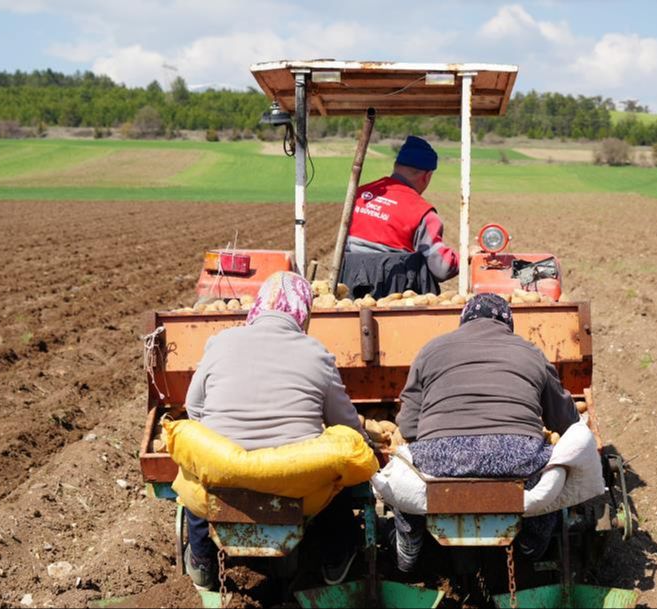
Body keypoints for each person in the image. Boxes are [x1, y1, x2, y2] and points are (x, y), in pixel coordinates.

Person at [183, 271, 372, 590]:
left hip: (224, 473)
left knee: (196, 475)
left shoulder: (220, 343)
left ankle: (202, 562)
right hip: (294, 482)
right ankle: (336, 561)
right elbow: (345, 426)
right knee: (337, 470)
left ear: (256, 307)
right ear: (303, 312)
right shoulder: (317, 353)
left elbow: (194, 408)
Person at [391, 293, 579, 572]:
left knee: (401, 469)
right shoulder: (531, 352)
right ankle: (532, 544)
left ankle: (409, 544)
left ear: (463, 320)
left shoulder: (431, 349)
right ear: (508, 323)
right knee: (553, 468)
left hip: (441, 460)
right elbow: (565, 420)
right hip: (517, 459)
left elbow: (407, 427)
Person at [341, 135, 459, 298]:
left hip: (348, 292)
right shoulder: (424, 213)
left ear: (396, 166)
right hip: (395, 298)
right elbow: (442, 268)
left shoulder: (357, 195)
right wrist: (465, 257)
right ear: (427, 176)